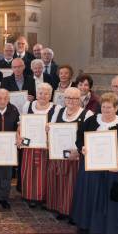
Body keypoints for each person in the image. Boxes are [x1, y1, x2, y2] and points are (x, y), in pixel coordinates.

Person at [71, 92, 118, 234]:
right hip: (90, 169)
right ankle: (85, 225)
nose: (105, 110)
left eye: (109, 108)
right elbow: (79, 138)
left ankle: (105, 230)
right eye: (103, 107)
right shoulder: (91, 121)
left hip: (112, 171)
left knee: (106, 200)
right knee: (88, 196)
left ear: (116, 108)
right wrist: (82, 148)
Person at [48, 87, 93, 219]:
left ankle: (73, 212)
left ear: (79, 99)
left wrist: (78, 151)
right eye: (68, 98)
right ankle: (61, 209)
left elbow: (90, 137)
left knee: (73, 186)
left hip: (76, 158)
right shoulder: (58, 111)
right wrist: (49, 128)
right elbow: (52, 128)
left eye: (74, 98)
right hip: (59, 156)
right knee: (60, 183)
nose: (71, 101)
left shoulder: (87, 114)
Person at [20, 83, 60, 208]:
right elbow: (21, 123)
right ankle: (31, 196)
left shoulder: (56, 108)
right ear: (37, 94)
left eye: (46, 93)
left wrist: (51, 128)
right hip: (30, 145)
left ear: (51, 95)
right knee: (30, 171)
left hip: (46, 146)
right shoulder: (28, 105)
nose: (43, 95)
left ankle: (44, 197)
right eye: (40, 93)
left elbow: (57, 127)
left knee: (45, 172)